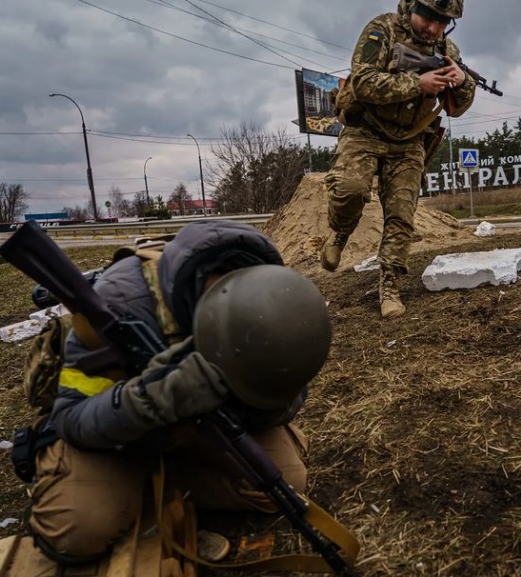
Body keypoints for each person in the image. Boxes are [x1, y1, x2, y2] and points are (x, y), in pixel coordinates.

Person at [26, 220, 332, 563]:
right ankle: (122, 487)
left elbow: (287, 396)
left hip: (193, 427)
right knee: (77, 530)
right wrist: (152, 397)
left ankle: (157, 485)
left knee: (283, 484)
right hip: (114, 436)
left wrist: (244, 399)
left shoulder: (273, 302)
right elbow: (70, 418)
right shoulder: (118, 303)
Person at [319, 0, 476, 318]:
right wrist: (416, 84)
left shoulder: (448, 50)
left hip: (408, 141)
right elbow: (362, 83)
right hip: (365, 131)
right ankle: (340, 232)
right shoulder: (382, 30)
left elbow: (456, 108)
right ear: (413, 7)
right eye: (429, 18)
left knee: (402, 215)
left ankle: (389, 286)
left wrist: (462, 83)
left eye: (442, 22)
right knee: (350, 189)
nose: (433, 28)